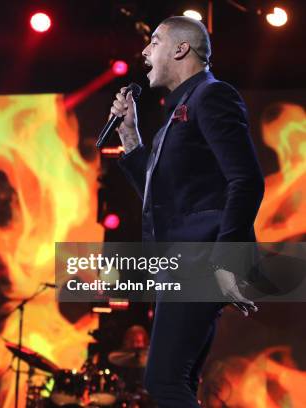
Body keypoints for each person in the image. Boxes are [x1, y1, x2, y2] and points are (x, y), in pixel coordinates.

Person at [110, 16, 265, 407]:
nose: (145, 51)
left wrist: (227, 262)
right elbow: (160, 195)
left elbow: (246, 180)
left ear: (181, 49)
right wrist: (130, 135)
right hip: (180, 263)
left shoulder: (212, 97)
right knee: (177, 380)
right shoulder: (176, 113)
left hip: (199, 261)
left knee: (163, 381)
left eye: (155, 42)